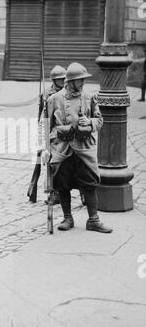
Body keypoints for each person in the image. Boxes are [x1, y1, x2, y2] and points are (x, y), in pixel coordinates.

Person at [46, 62, 112, 233]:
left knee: (90, 183)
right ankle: (68, 218)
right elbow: (44, 125)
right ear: (70, 81)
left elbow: (99, 120)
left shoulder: (89, 97)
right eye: (80, 80)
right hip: (62, 148)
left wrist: (89, 122)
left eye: (84, 80)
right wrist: (47, 146)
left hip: (84, 148)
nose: (83, 83)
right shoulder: (54, 99)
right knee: (63, 185)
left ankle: (93, 220)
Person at [38, 65, 67, 205]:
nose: (63, 82)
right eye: (60, 80)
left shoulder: (68, 91)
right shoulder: (47, 94)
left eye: (64, 79)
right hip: (53, 132)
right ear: (54, 80)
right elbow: (43, 117)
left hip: (67, 130)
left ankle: (83, 193)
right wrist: (42, 137)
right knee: (52, 164)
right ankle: (54, 193)